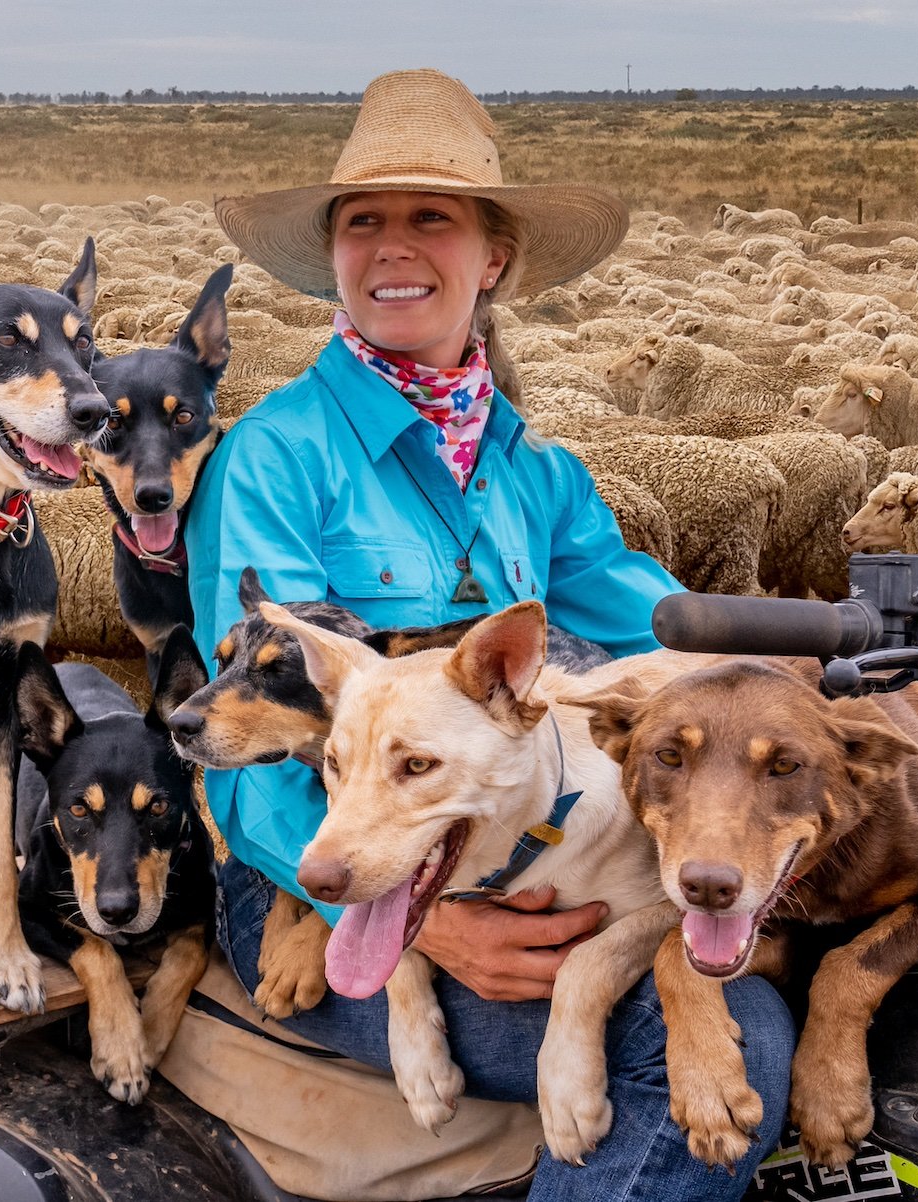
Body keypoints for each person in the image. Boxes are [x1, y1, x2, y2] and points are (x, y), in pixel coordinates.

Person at [187, 69, 793, 1200]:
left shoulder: (537, 472)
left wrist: (818, 677)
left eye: (433, 217)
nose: (393, 246)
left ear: (492, 257)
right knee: (718, 1044)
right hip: (318, 869)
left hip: (517, 840)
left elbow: (667, 630)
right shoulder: (276, 458)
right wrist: (408, 921)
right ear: (333, 253)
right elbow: (248, 745)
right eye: (364, 220)